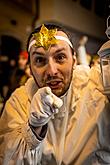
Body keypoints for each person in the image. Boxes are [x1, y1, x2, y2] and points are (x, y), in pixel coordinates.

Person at [0, 23, 109, 165]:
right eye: (40, 60)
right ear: (31, 69)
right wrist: (33, 130)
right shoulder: (19, 102)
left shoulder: (98, 84)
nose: (52, 71)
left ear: (74, 61)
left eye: (60, 57)